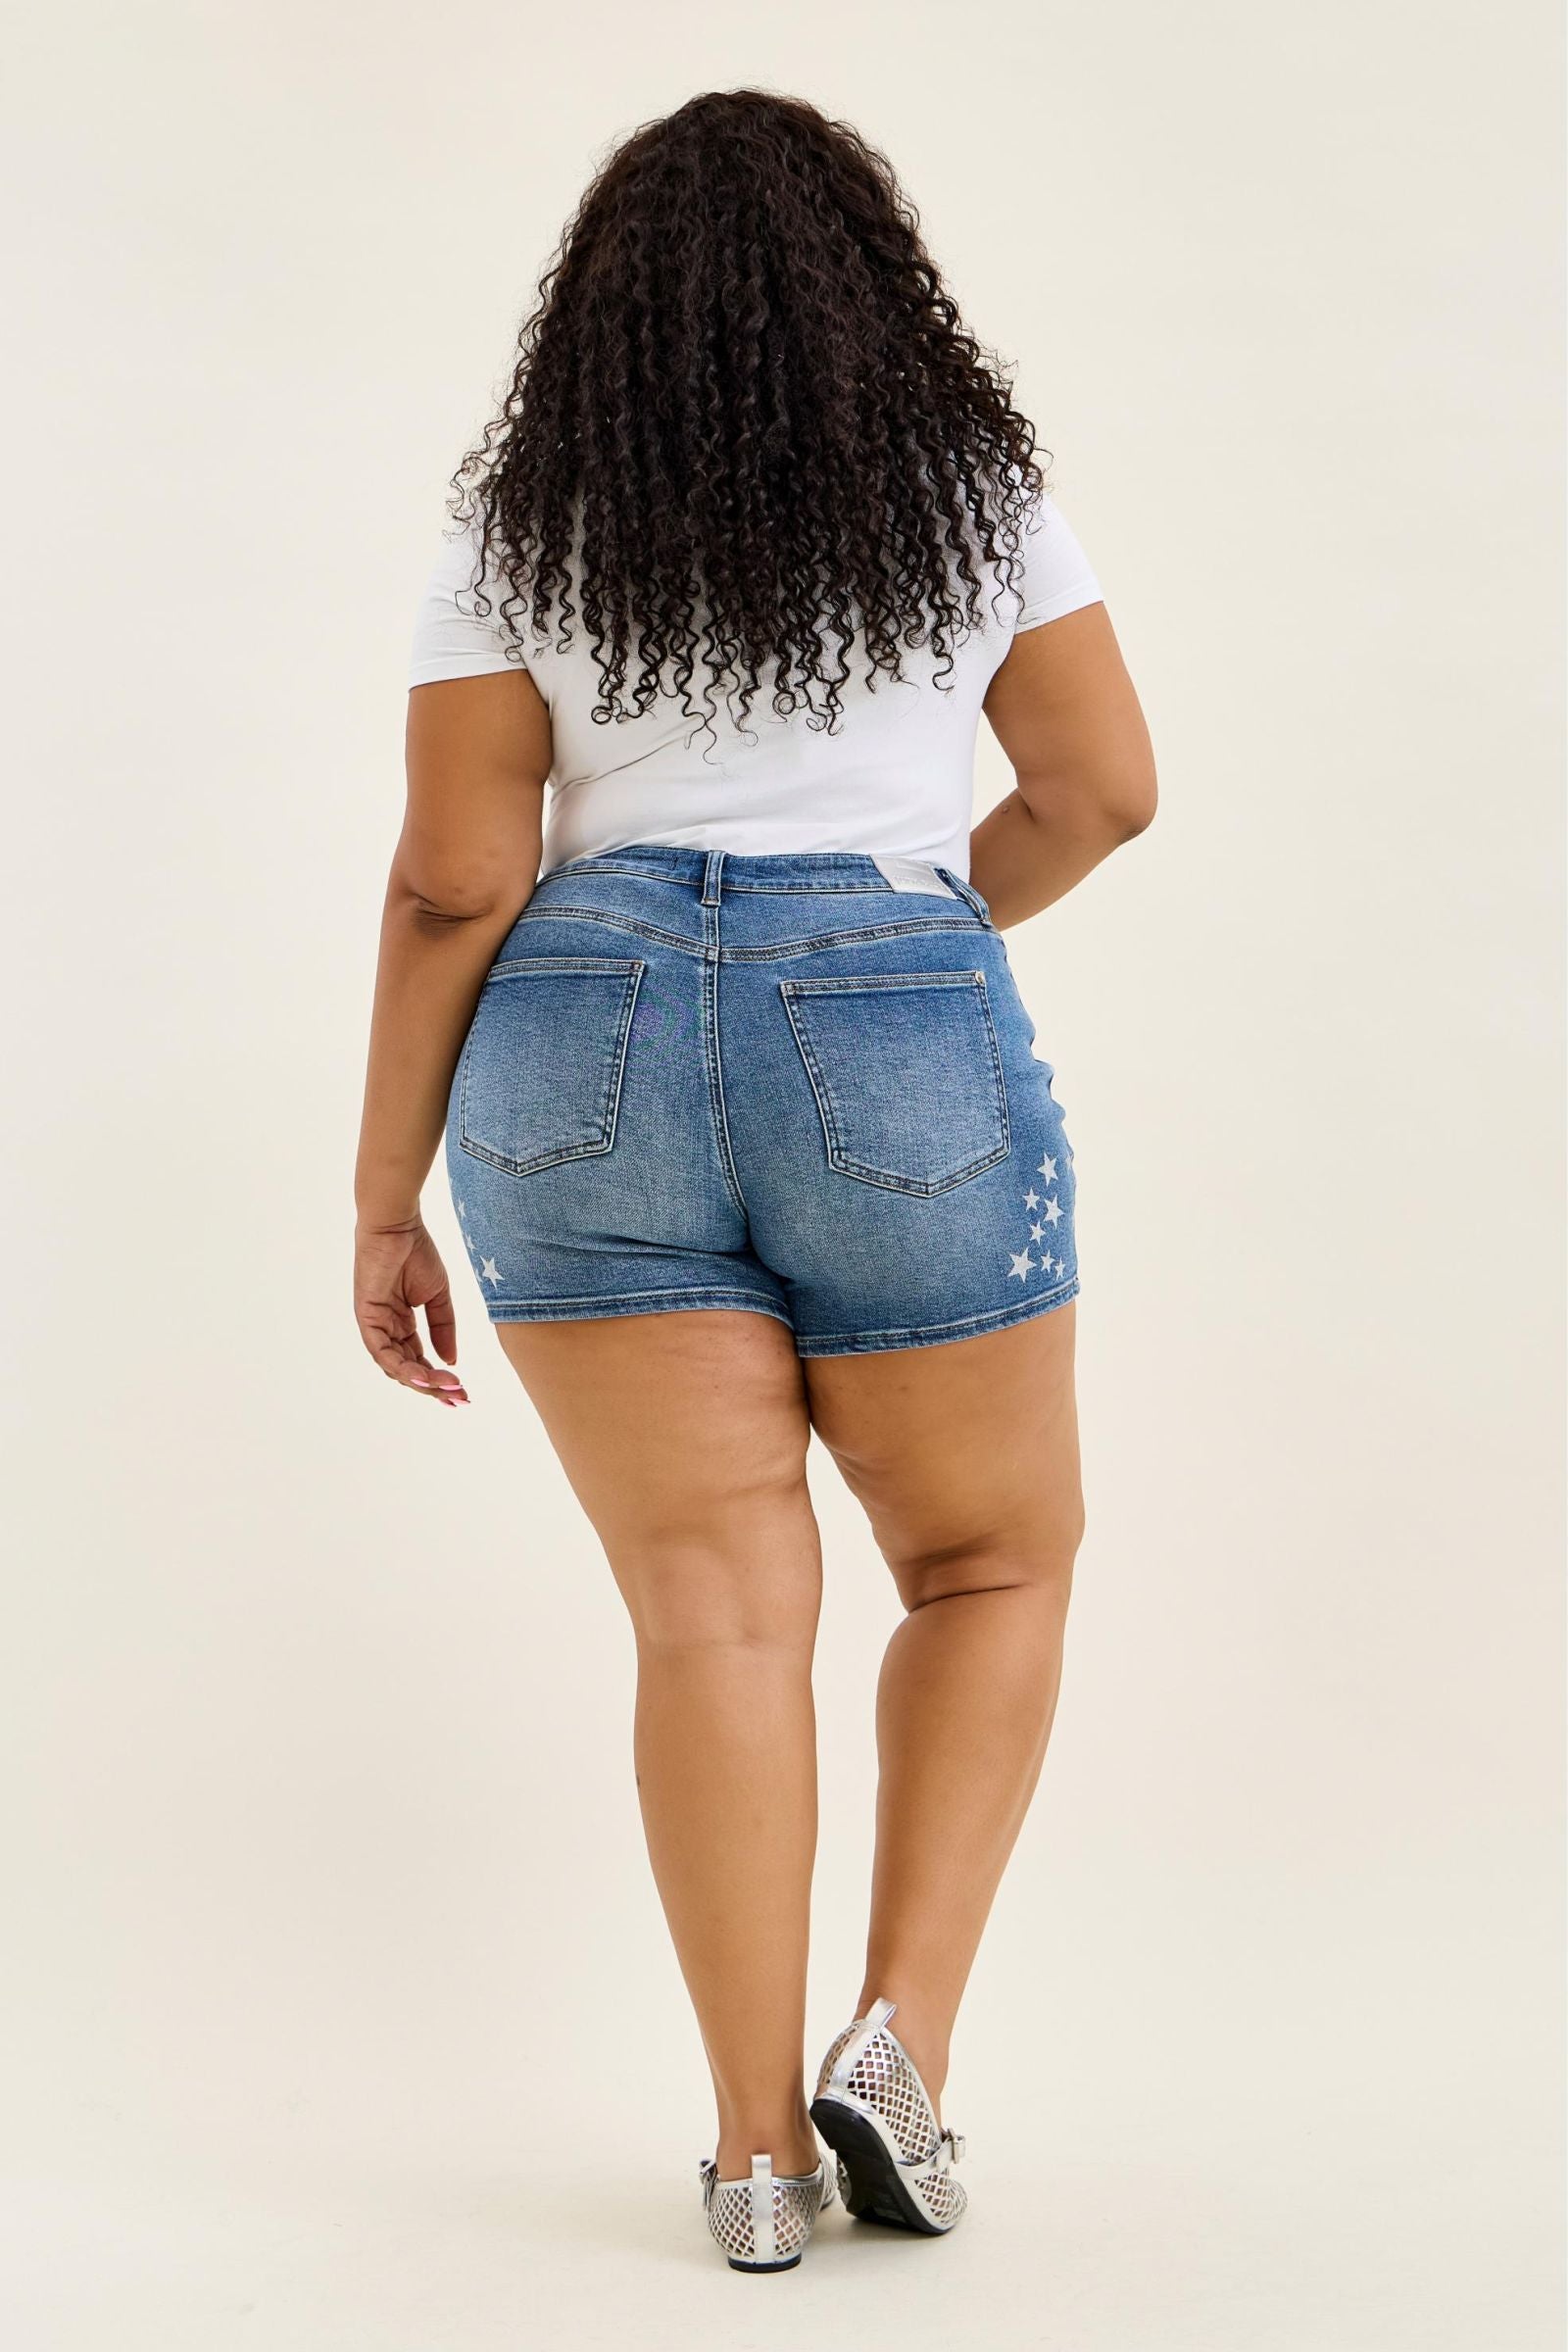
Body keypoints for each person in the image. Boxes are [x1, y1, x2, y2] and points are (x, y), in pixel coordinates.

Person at [353, 87, 1155, 2274]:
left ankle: (749, 2161)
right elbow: (1099, 789)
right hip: (891, 1011)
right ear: (873, 286)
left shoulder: (523, 522)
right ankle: (896, 2045)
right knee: (986, 1563)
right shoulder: (969, 491)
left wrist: (383, 1196)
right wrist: (902, 944)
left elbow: (455, 880)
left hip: (575, 1034)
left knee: (710, 1608)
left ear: (602, 308)